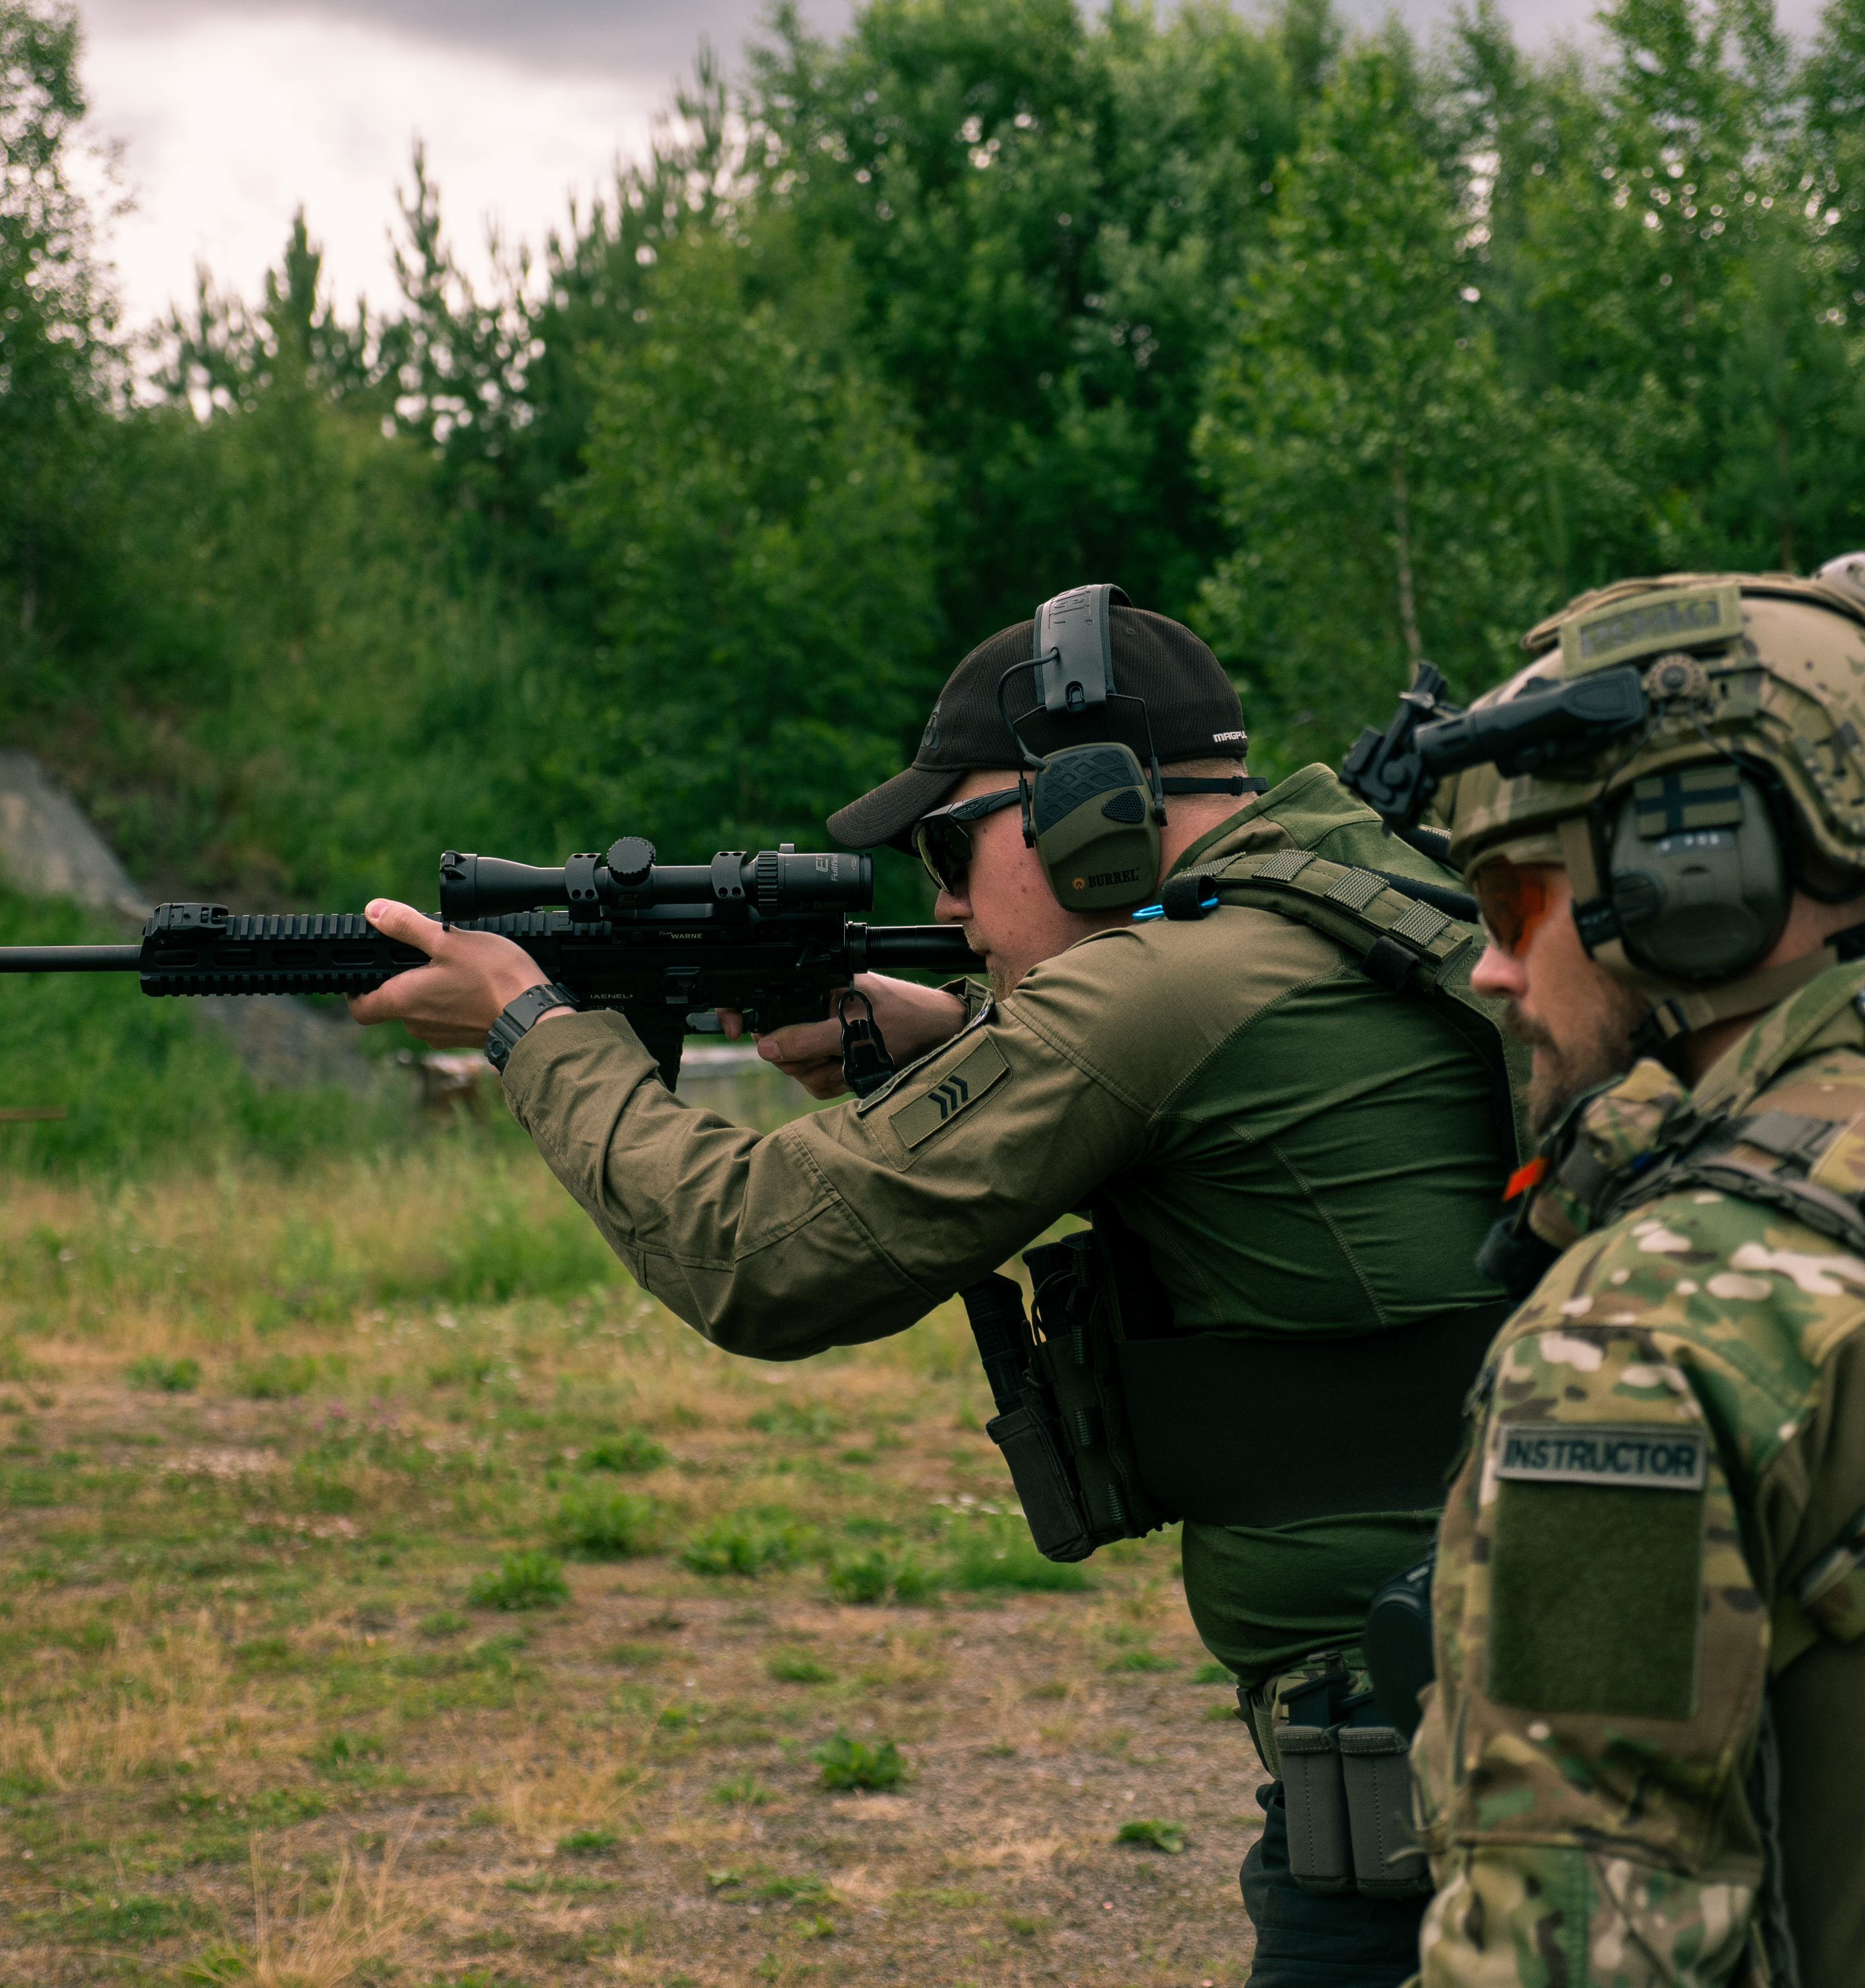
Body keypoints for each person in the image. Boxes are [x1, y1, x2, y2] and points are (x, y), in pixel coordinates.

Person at [348, 589, 1520, 1983]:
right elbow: (1224, 1105)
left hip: (1418, 1770)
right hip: (1506, 1697)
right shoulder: (1362, 901)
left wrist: (531, 1030)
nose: (949, 904)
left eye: (949, 848)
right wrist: (961, 1034)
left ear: (1086, 804)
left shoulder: (1157, 985)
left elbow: (761, 1252)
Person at [1389, 560, 1865, 1985]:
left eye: (1509, 901)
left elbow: (1575, 1946)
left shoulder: (1651, 1330)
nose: (1488, 970)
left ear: (1692, 873)